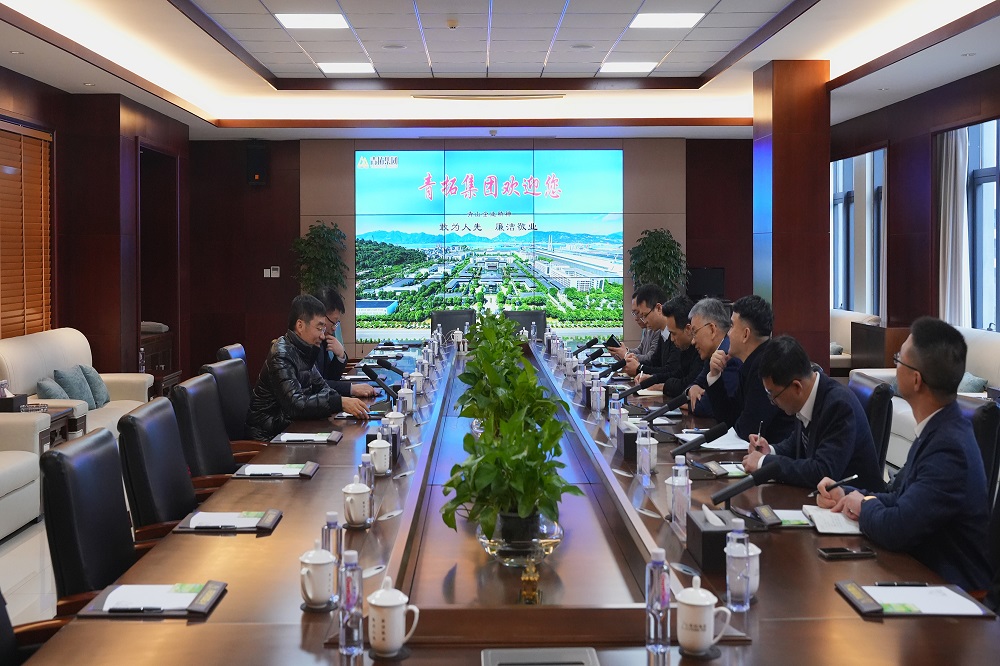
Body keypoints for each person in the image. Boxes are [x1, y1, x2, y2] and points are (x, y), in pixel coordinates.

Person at [817, 317, 991, 591]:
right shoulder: (939, 427)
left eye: (898, 359)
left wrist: (864, 506)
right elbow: (901, 497)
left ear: (916, 379)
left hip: (951, 591)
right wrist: (849, 494)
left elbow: (897, 528)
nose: (895, 365)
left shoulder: (949, 447)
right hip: (920, 569)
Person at [742, 335, 884, 491]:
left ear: (797, 387)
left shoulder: (838, 406)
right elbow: (796, 444)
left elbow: (822, 471)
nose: (773, 402)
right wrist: (770, 451)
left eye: (774, 395)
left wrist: (764, 463)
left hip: (856, 500)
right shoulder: (809, 395)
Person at [246, 295, 370, 441]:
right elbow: (296, 405)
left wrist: (343, 401)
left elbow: (322, 387)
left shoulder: (304, 350)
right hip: (268, 437)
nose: (323, 336)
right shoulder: (281, 354)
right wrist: (339, 403)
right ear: (300, 326)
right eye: (319, 328)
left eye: (323, 329)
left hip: (292, 428)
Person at [705, 295, 795, 442]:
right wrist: (715, 376)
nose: (728, 334)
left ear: (745, 334)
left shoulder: (768, 365)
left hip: (776, 452)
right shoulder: (750, 363)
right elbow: (728, 418)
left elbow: (748, 430)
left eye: (732, 326)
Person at [313, 286, 375, 398]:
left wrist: (340, 356)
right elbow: (315, 385)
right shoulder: (306, 344)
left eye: (337, 323)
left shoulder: (323, 340)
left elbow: (330, 378)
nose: (334, 328)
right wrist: (351, 389)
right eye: (333, 322)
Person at [638, 296, 702, 397]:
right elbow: (678, 373)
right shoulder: (686, 347)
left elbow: (688, 383)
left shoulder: (702, 350)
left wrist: (663, 386)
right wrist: (654, 379)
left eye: (673, 333)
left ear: (688, 329)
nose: (671, 339)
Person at [687, 297, 741, 417]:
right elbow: (695, 383)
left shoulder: (728, 357)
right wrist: (693, 388)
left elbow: (705, 408)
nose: (692, 341)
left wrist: (691, 401)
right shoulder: (711, 354)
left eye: (695, 332)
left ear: (712, 330)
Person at [623, 284, 677, 379]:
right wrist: (636, 362)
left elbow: (671, 371)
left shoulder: (675, 335)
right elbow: (654, 362)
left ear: (659, 308)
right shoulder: (663, 334)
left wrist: (639, 368)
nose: (644, 321)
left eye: (645, 315)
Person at [607, 296, 660, 365]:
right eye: (634, 313)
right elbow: (640, 350)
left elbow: (650, 358)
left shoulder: (658, 330)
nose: (636, 318)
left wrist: (625, 354)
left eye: (638, 313)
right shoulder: (646, 329)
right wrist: (624, 351)